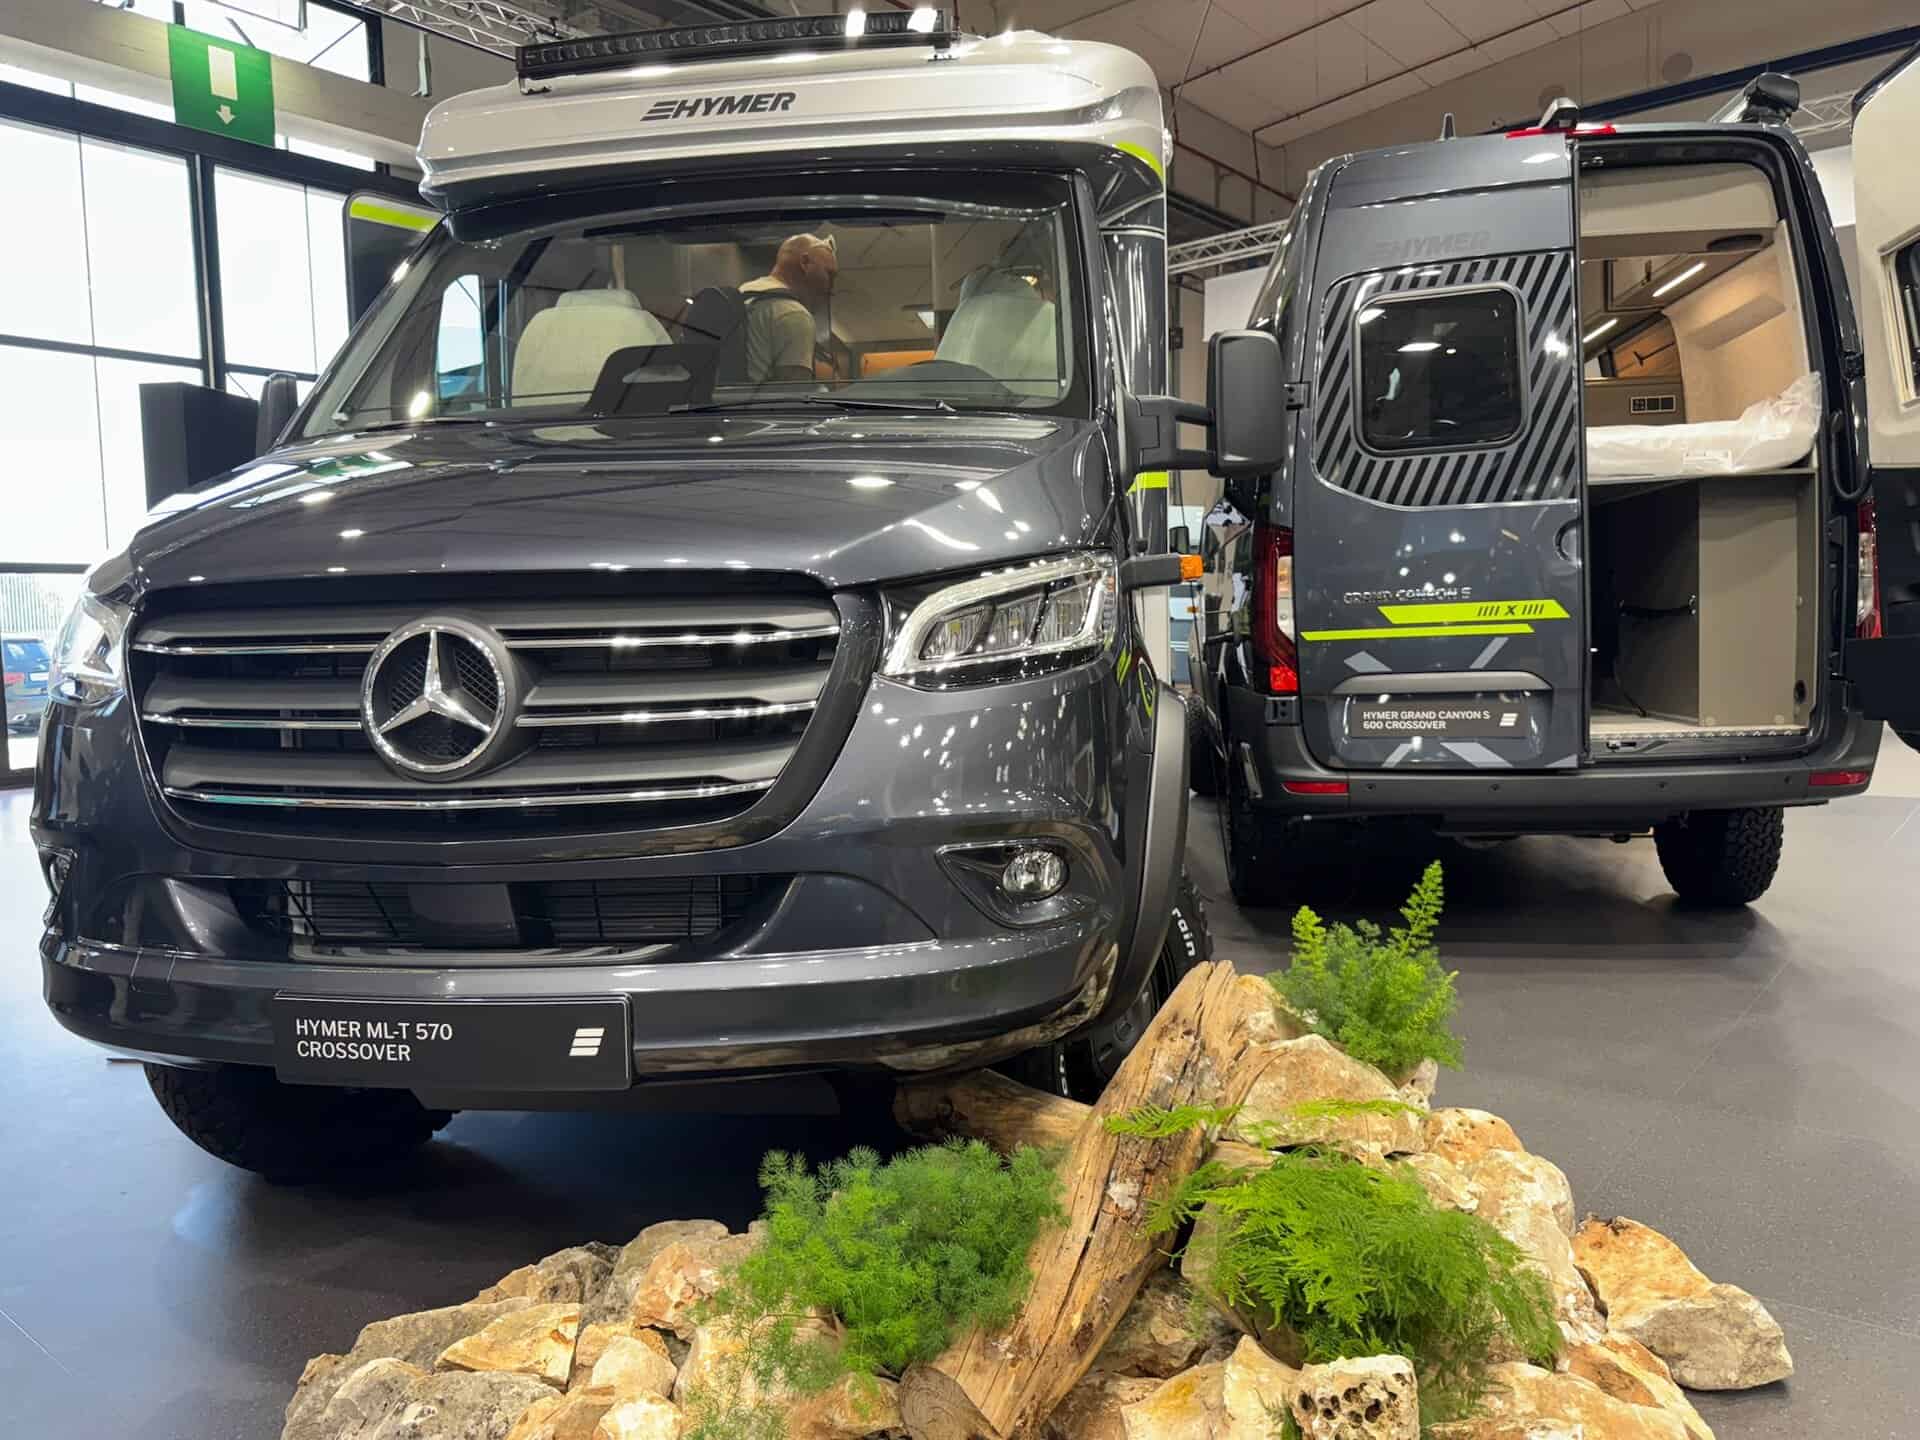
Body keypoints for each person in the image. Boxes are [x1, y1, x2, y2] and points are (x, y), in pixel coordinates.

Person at [738, 233, 837, 384]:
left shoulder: (743, 293)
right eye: (829, 274)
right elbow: (795, 392)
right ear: (805, 262)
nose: (831, 286)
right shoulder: (794, 314)